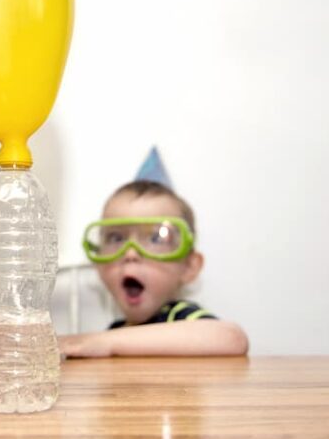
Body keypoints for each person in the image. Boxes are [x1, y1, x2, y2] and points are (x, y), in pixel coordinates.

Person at [58, 148, 248, 358]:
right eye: (116, 238)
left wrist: (101, 341)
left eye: (156, 238)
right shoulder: (116, 331)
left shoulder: (180, 316)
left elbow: (231, 338)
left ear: (189, 267)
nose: (130, 253)